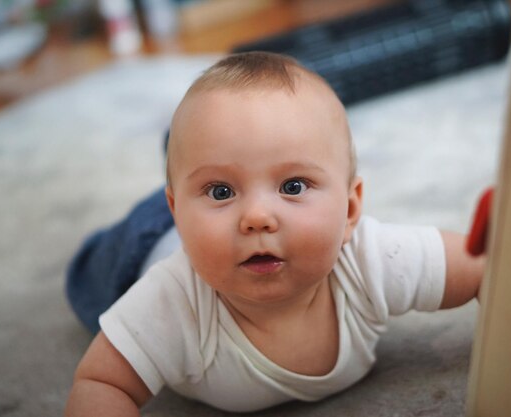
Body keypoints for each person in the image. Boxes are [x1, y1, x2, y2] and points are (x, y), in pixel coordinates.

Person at [64, 51, 483, 415]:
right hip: (146, 243)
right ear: (179, 211)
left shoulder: (370, 259)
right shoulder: (172, 302)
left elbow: (482, 265)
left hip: (196, 209)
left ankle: (203, 167)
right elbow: (102, 383)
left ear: (351, 209)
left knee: (211, 157)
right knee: (90, 276)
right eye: (223, 190)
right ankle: (188, 170)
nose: (258, 217)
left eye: (293, 186)